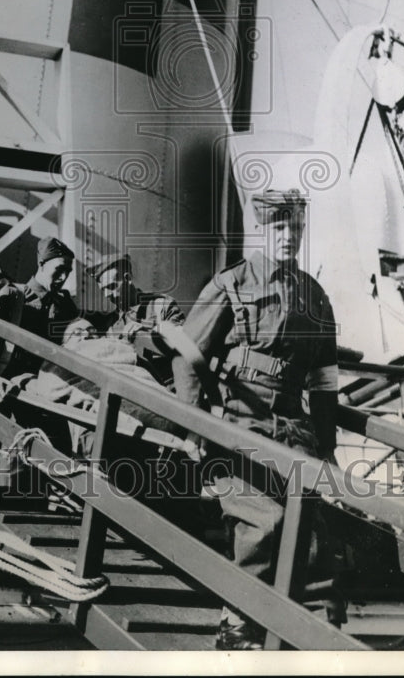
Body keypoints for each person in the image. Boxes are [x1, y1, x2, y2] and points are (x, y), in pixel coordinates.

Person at [173, 188, 341, 649]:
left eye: (296, 227)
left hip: (293, 430)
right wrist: (195, 427)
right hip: (239, 423)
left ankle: (300, 626)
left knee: (312, 528)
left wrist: (327, 446)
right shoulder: (231, 285)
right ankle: (237, 627)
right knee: (264, 521)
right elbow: (187, 357)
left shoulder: (314, 295)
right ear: (261, 230)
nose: (289, 236)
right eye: (279, 227)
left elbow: (324, 381)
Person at [85, 252, 190, 394]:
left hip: (170, 390)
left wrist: (149, 332)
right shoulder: (112, 323)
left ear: (127, 279)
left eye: (111, 286)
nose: (106, 295)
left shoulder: (161, 306)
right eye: (103, 289)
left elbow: (185, 344)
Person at [1, 237, 79, 378]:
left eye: (68, 271)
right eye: (60, 269)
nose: (63, 277)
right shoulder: (14, 298)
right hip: (12, 384)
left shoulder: (65, 305)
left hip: (50, 384)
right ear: (41, 264)